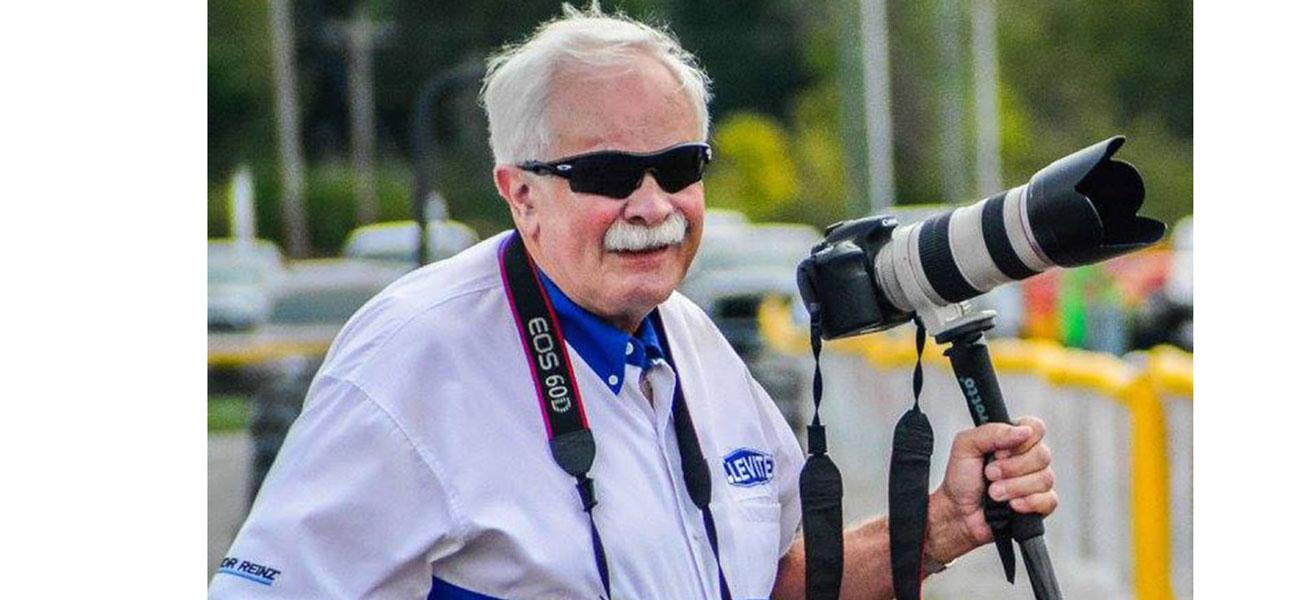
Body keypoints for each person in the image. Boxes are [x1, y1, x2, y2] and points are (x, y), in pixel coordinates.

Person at [209, 5, 1057, 599]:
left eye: (679, 167)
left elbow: (778, 581)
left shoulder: (689, 339)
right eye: (609, 175)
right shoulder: (412, 361)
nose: (652, 206)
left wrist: (947, 520)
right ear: (519, 194)